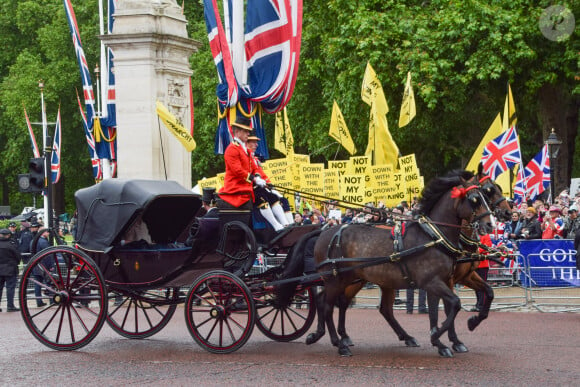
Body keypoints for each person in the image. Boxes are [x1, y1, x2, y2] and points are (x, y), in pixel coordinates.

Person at [219, 116, 286, 231]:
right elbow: (237, 171)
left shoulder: (246, 150)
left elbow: (255, 168)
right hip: (236, 188)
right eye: (246, 131)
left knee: (271, 195)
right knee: (260, 194)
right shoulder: (232, 149)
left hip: (247, 186)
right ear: (238, 131)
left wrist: (260, 179)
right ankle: (276, 226)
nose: (248, 134)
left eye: (248, 131)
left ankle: (285, 224)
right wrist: (255, 180)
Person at [246, 130, 292, 227]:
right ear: (247, 143)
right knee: (263, 197)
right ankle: (277, 226)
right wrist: (257, 180)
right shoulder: (246, 156)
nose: (256, 145)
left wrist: (270, 185)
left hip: (258, 185)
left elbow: (262, 174)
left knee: (280, 198)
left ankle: (288, 224)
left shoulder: (254, 159)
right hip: (250, 188)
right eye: (254, 142)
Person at [0, 228, 21, 312]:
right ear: (8, 235)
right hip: (10, 269)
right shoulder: (11, 244)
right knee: (10, 288)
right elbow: (17, 256)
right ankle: (10, 305)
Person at [472, 232, 492, 312]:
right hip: (474, 264)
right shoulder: (474, 236)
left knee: (482, 286)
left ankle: (482, 305)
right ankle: (478, 304)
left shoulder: (485, 236)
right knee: (476, 286)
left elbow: (487, 246)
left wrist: (475, 251)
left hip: (482, 264)